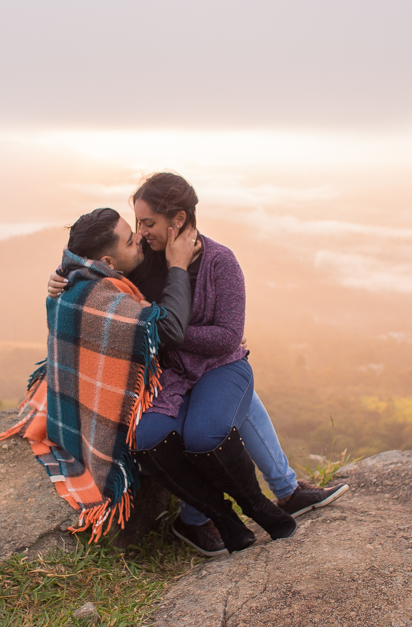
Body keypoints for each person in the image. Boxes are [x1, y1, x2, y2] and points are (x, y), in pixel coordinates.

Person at [48, 173, 349, 555]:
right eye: (137, 223)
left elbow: (224, 339)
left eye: (148, 223)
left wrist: (159, 331)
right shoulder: (144, 260)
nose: (140, 233)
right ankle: (241, 505)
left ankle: (261, 500)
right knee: (149, 437)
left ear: (177, 220)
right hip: (172, 378)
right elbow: (95, 267)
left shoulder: (221, 261)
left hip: (219, 366)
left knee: (205, 431)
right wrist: (61, 276)